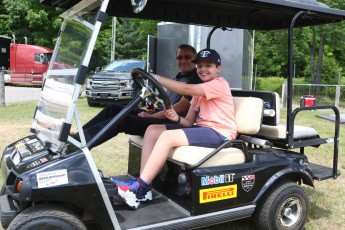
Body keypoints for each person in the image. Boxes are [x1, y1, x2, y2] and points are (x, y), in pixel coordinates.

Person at [112, 48, 237, 209]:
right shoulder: (200, 91)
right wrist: (176, 118)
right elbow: (188, 122)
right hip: (204, 130)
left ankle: (139, 189)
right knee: (153, 129)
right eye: (199, 66)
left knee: (167, 136)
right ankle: (144, 186)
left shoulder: (219, 84)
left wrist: (154, 77)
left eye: (208, 66)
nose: (203, 70)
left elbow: (184, 89)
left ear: (218, 68)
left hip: (221, 133)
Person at [73, 44, 202, 149]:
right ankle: (77, 138)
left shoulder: (195, 79)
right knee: (113, 108)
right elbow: (168, 102)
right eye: (179, 57)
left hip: (173, 123)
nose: (183, 61)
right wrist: (153, 109)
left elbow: (180, 108)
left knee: (122, 120)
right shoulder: (180, 76)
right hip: (162, 116)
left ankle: (80, 146)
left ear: (195, 59)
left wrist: (152, 116)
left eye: (187, 57)